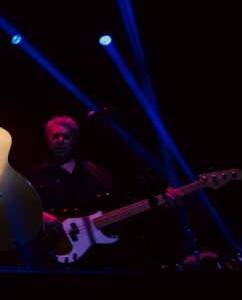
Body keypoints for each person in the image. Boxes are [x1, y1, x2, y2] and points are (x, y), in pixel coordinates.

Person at [27, 115, 182, 268]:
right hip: (56, 256)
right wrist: (41, 217)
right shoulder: (34, 175)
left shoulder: (96, 171)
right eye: (56, 136)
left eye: (66, 136)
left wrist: (161, 203)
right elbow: (17, 207)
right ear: (48, 139)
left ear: (74, 139)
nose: (60, 141)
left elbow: (124, 202)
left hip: (103, 257)